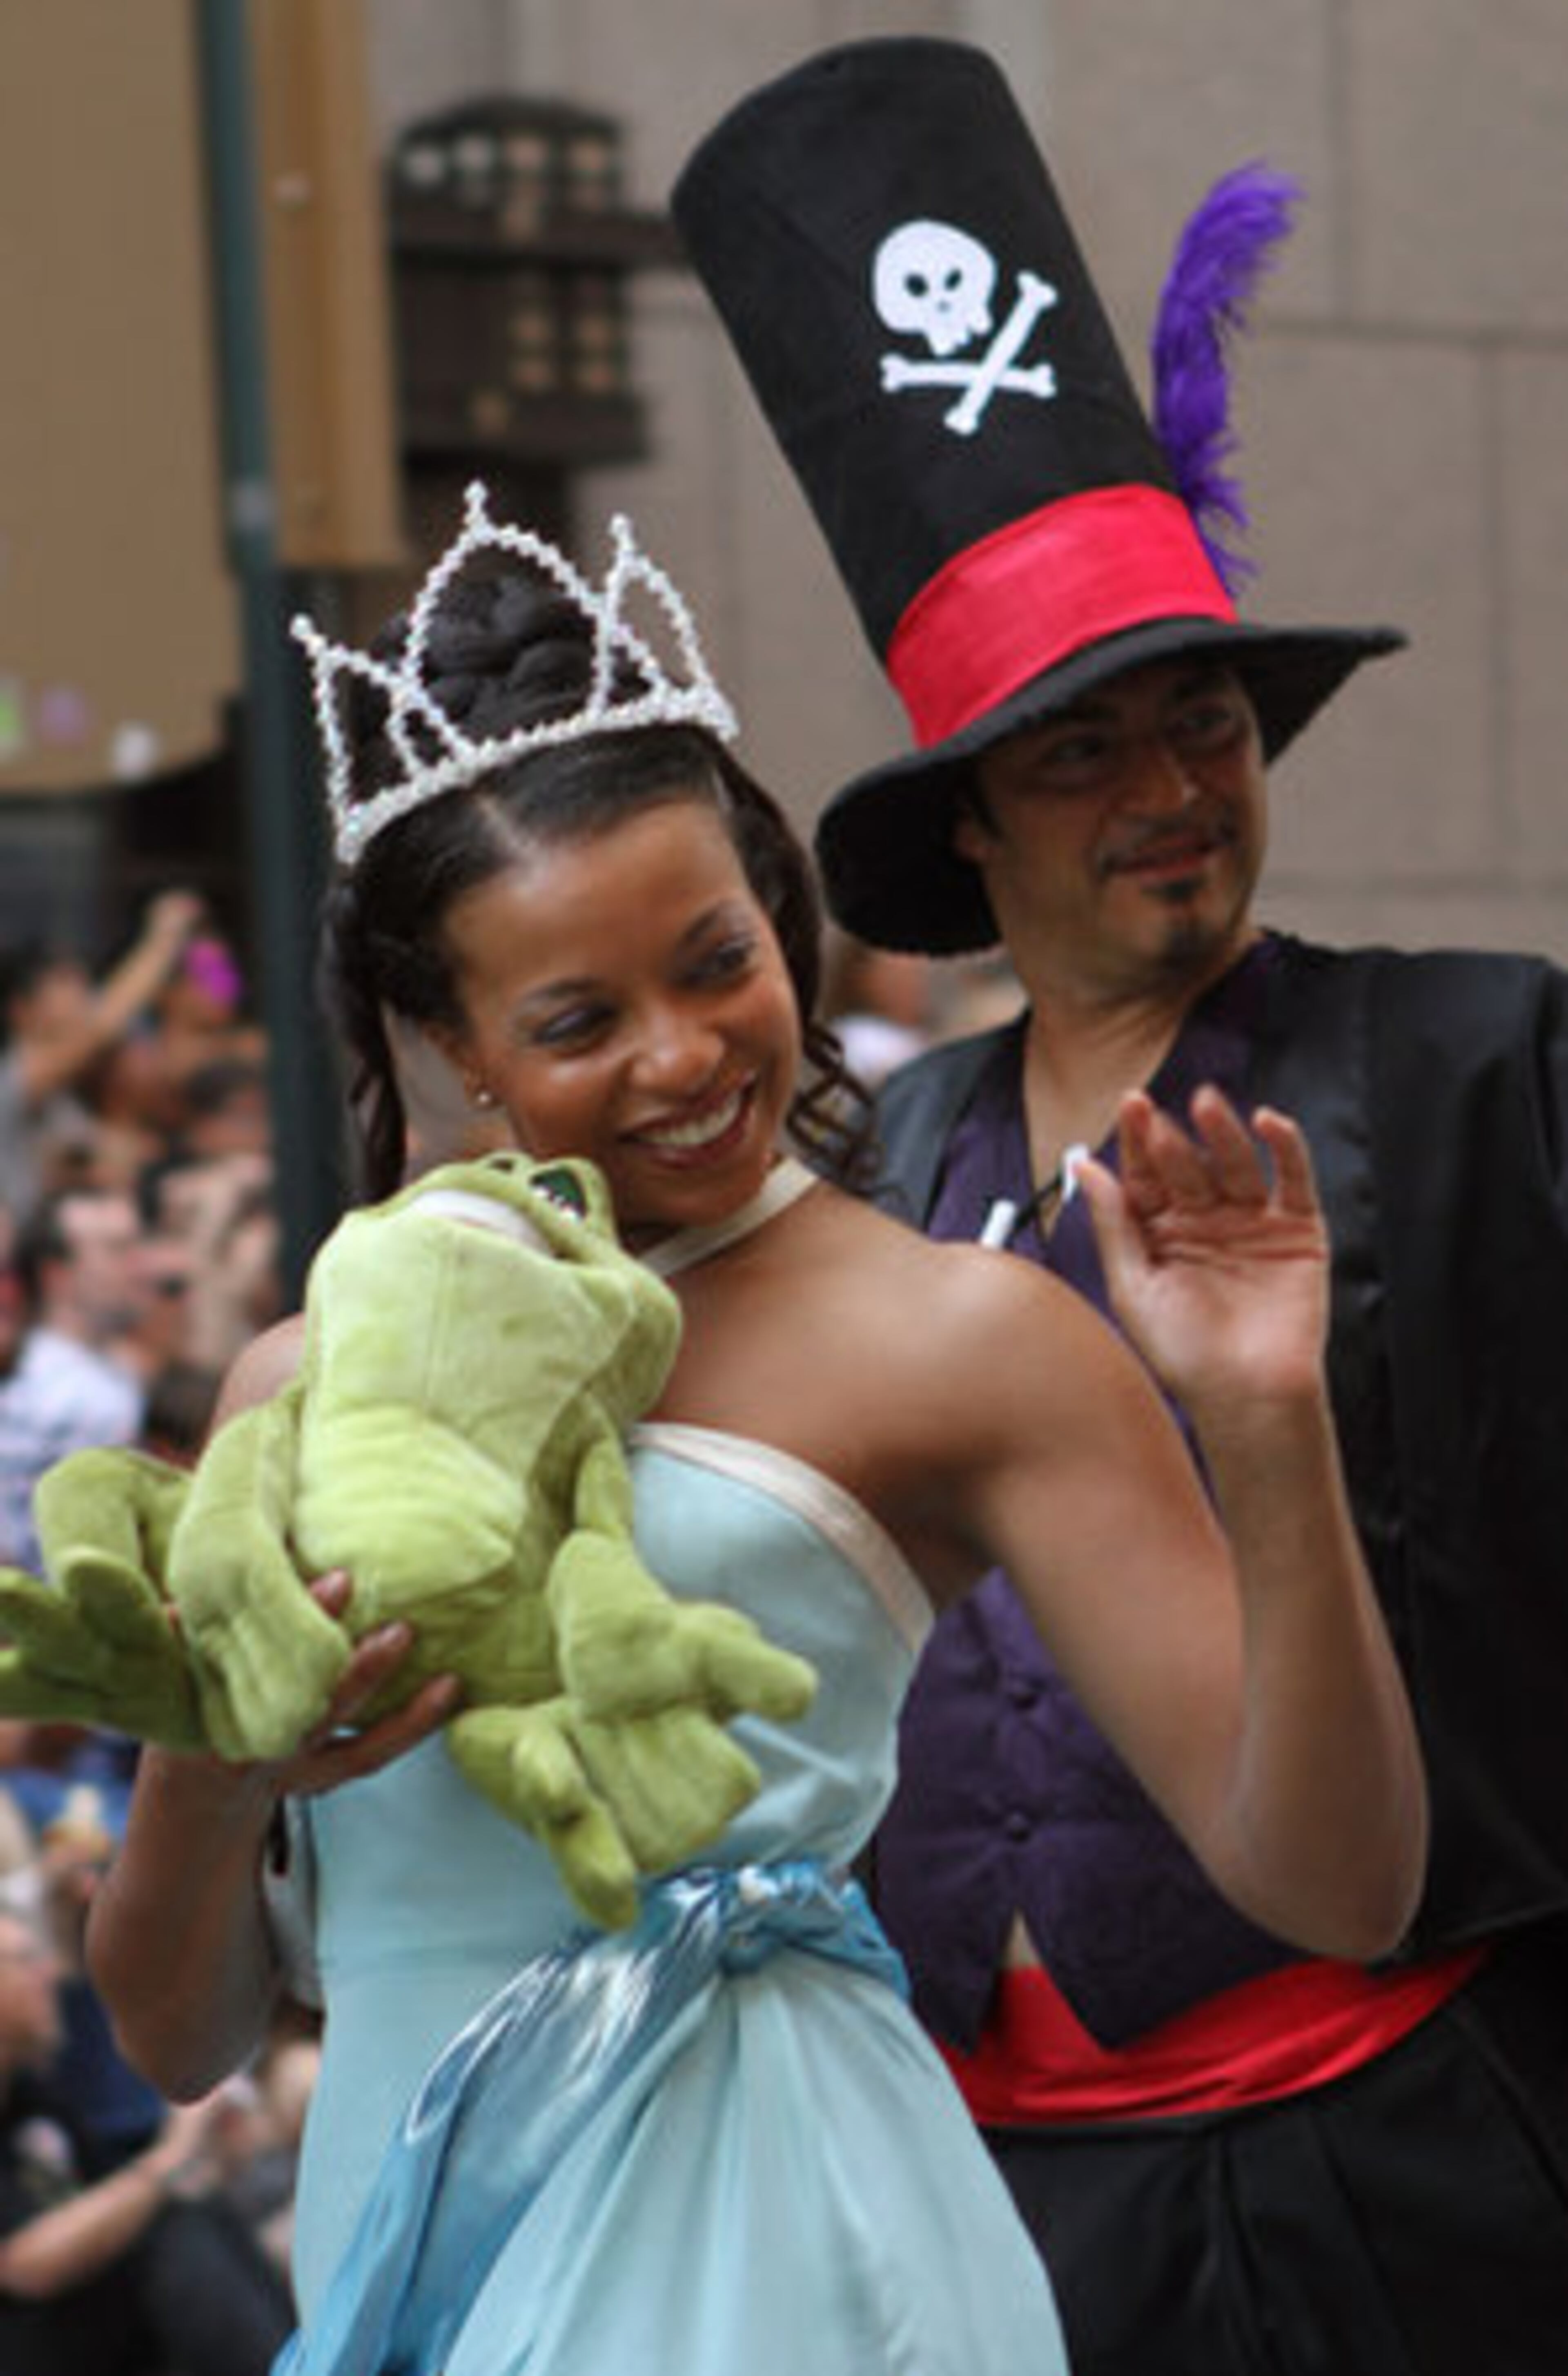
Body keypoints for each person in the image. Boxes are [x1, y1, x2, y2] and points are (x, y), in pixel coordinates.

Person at [82, 488, 1423, 2376]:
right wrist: (220, 1765)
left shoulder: (961, 1333)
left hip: (796, 2250)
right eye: (575, 1014)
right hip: (416, 2263)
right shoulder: (295, 1385)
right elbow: (176, 2035)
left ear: (783, 920)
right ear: (455, 1045)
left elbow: (1334, 1882)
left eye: (718, 959)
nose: (685, 1051)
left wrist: (1268, 1425)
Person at [671, 37, 1568, 2374]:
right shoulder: (867, 1170)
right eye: (1079, 746)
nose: (1168, 787)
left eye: (1200, 720)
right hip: (975, 2211)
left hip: (1419, 2160)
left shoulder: (1482, 1064)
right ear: (965, 824)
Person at [0, 1900, 293, 2376]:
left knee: (191, 2214)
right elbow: (21, 2267)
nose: (50, 1972)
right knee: (172, 2233)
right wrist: (171, 2155)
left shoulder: (29, 2098)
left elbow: (114, 2196)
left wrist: (209, 2155)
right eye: (27, 1959)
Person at [0, 891, 205, 1224]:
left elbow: (226, 995)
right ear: (21, 1011)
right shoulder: (17, 1075)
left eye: (83, 981)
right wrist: (165, 936)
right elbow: (103, 1027)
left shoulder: (71, 1094)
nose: (83, 995)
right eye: (65, 984)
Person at [0, 1186, 149, 1569]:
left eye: (138, 1244)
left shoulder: (99, 1374)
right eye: (118, 1250)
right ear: (57, 1275)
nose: (141, 1266)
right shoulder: (74, 1396)